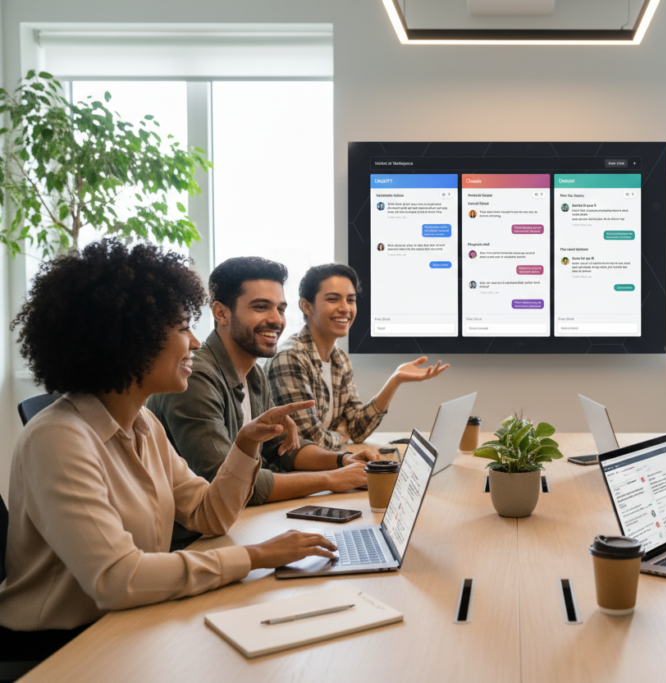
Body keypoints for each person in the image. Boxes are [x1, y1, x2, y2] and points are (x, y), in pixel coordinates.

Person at [0, 240, 336, 658]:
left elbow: (208, 514)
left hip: (131, 622)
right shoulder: (58, 437)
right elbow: (117, 578)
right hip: (61, 648)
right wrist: (256, 556)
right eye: (182, 329)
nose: (195, 343)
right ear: (130, 339)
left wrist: (246, 443)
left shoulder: (144, 424)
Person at [147, 257, 377, 546]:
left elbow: (280, 449)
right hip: (192, 543)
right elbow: (232, 483)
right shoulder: (195, 379)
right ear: (221, 313)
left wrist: (343, 460)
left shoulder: (254, 374)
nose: (276, 319)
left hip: (234, 528)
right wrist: (331, 479)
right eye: (260, 307)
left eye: (280, 308)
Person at [267, 264, 449, 450]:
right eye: (333, 299)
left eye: (351, 300)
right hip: (293, 474)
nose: (345, 308)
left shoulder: (340, 359)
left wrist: (395, 379)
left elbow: (357, 430)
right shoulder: (290, 358)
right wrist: (340, 437)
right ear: (307, 306)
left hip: (325, 466)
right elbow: (309, 441)